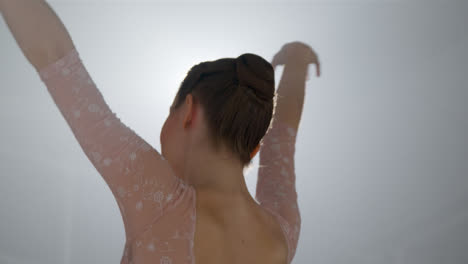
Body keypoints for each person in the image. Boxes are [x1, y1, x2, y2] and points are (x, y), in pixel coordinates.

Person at [0, 1, 320, 263]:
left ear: (188, 112)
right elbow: (282, 137)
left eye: (171, 110)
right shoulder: (283, 233)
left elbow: (57, 58)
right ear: (253, 151)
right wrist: (297, 61)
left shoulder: (159, 199)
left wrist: (295, 62)